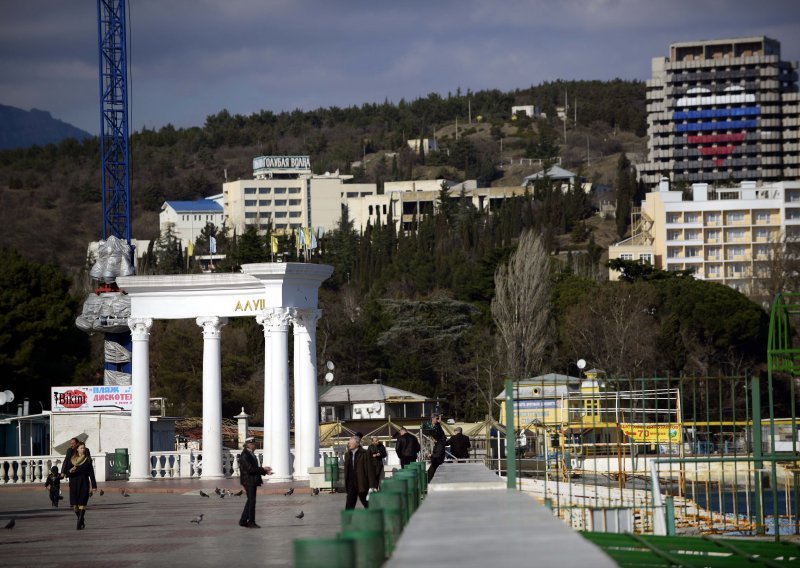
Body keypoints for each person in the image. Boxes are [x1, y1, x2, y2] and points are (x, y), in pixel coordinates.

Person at [238, 437, 273, 528]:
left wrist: (265, 472)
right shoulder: (245, 455)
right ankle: (251, 522)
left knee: (250, 501)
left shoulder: (250, 454)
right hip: (248, 481)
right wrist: (263, 469)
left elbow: (254, 468)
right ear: (249, 444)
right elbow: (250, 469)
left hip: (251, 480)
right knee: (252, 501)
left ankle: (243, 520)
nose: (255, 445)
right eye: (254, 444)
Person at [67, 443, 97, 530]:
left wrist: (94, 486)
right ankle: (81, 520)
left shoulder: (88, 460)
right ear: (77, 449)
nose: (83, 450)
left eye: (84, 448)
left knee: (82, 503)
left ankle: (79, 521)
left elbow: (91, 473)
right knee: (75, 505)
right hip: (74, 483)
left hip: (84, 482)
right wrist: (70, 470)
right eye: (81, 448)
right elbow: (66, 472)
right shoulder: (71, 460)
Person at [343, 435, 374, 509]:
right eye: (348, 443)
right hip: (351, 483)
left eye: (350, 443)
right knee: (349, 504)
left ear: (357, 444)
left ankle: (374, 517)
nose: (349, 444)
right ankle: (348, 519)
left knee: (367, 503)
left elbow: (370, 470)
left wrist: (372, 485)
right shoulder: (347, 455)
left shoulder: (365, 453)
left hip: (361, 482)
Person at [426, 415, 447, 482]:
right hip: (436, 462)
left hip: (437, 463)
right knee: (429, 473)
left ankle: (428, 484)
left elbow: (438, 454)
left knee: (430, 474)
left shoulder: (439, 444)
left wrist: (431, 455)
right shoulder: (439, 443)